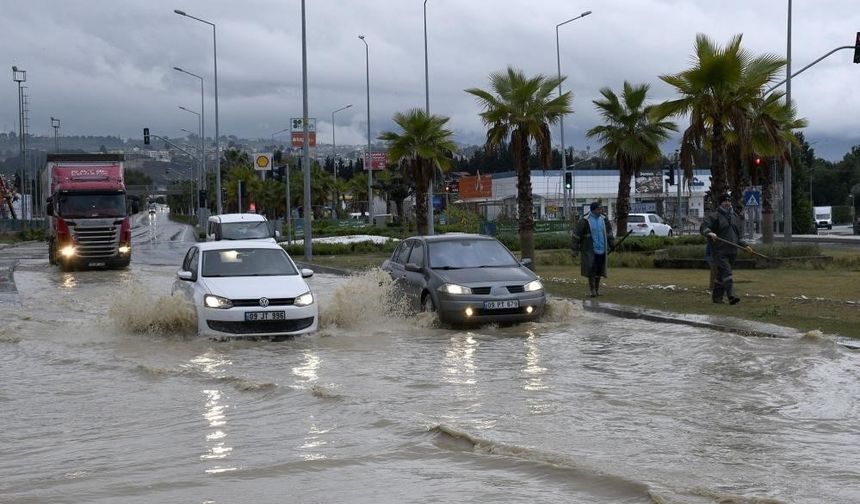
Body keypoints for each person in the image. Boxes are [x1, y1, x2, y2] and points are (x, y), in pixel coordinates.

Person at [700, 193, 753, 304]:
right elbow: (704, 227)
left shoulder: (735, 218)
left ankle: (717, 298)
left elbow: (738, 237)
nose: (727, 203)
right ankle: (732, 296)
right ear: (720, 204)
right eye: (725, 201)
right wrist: (710, 233)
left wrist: (745, 246)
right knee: (727, 273)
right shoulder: (714, 216)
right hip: (719, 251)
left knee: (721, 275)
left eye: (729, 201)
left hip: (732, 251)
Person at [571, 201, 615, 297]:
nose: (601, 210)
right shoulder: (585, 220)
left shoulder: (604, 220)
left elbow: (609, 233)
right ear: (594, 210)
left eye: (601, 209)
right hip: (589, 250)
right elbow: (576, 236)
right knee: (591, 270)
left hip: (602, 249)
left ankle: (597, 290)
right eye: (599, 209)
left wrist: (612, 244)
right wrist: (575, 250)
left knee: (599, 270)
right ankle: (592, 290)